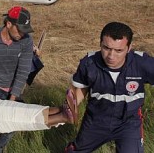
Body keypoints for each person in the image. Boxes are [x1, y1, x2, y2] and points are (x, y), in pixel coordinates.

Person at [65, 22, 154, 153]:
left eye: (119, 50)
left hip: (129, 123)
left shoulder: (143, 63)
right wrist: (68, 108)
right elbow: (79, 90)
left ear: (129, 48)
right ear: (100, 44)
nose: (111, 56)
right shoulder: (89, 63)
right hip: (96, 121)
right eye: (106, 48)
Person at [0, 6, 34, 152]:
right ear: (9, 24)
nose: (22, 34)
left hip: (9, 90)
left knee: (14, 120)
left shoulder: (26, 41)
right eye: (20, 29)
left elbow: (23, 70)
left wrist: (12, 100)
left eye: (25, 30)